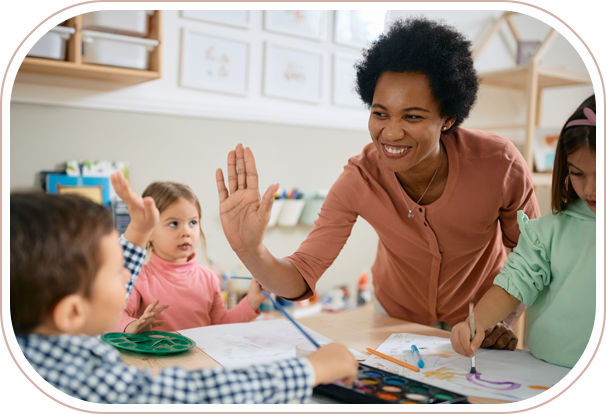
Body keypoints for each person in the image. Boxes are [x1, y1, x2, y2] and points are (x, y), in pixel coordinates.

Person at [215, 16, 541, 350]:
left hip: (480, 319)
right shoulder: (360, 178)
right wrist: (250, 249)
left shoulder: (499, 164)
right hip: (396, 318)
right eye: (380, 113)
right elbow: (299, 276)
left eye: (412, 116)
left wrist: (499, 319)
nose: (391, 132)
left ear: (448, 118)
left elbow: (532, 257)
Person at [10, 172, 358, 404]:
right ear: (71, 311)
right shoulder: (79, 379)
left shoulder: (43, 343)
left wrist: (136, 233)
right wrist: (310, 370)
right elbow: (192, 393)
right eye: (117, 270)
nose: (127, 275)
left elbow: (221, 322)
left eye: (192, 223)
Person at [450, 95, 596, 376]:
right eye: (577, 174)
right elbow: (511, 286)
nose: (590, 189)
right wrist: (477, 322)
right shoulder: (547, 232)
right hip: (545, 371)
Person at [114, 181, 266, 334]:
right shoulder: (137, 278)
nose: (186, 232)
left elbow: (221, 325)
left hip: (202, 358)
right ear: (149, 231)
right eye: (173, 223)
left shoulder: (208, 278)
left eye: (193, 222)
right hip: (156, 358)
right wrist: (132, 326)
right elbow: (117, 316)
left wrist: (251, 301)